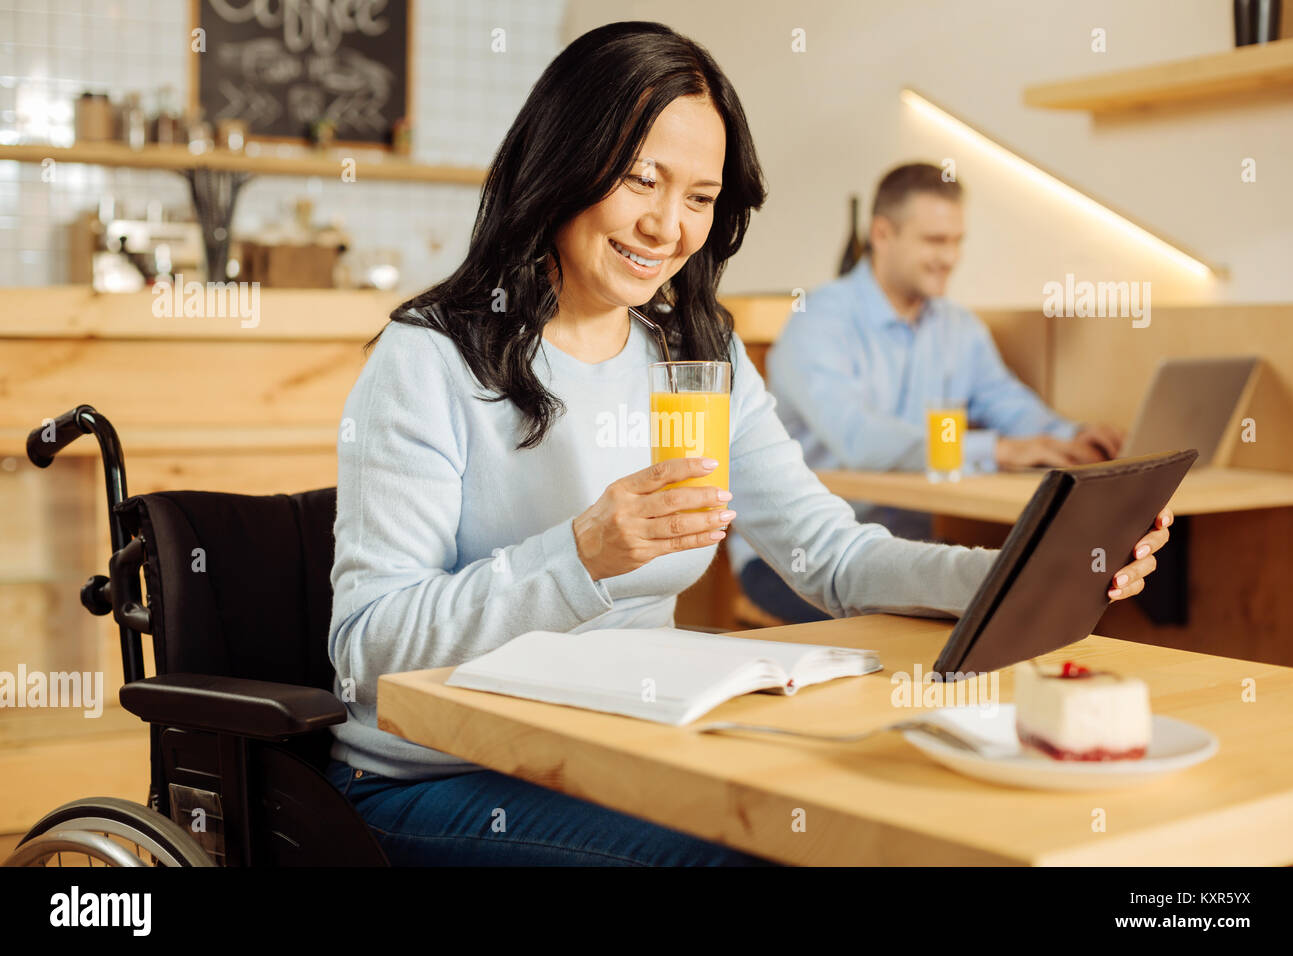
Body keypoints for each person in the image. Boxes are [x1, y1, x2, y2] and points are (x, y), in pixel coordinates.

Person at [324, 23, 1174, 866]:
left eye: (699, 198)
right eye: (638, 179)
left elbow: (831, 555)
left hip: (621, 748)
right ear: (561, 163)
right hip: (438, 777)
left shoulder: (694, 352)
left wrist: (1015, 573)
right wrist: (581, 554)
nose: (667, 226)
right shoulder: (431, 356)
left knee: (891, 830)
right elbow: (369, 650)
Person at [731, 162, 1127, 624]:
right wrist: (996, 451)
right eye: (934, 241)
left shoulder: (958, 328)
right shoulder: (818, 321)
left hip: (908, 552)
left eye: (957, 241)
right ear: (882, 233)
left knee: (1019, 609)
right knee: (952, 629)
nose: (950, 257)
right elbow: (859, 439)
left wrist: (1073, 437)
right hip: (806, 558)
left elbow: (1008, 404)